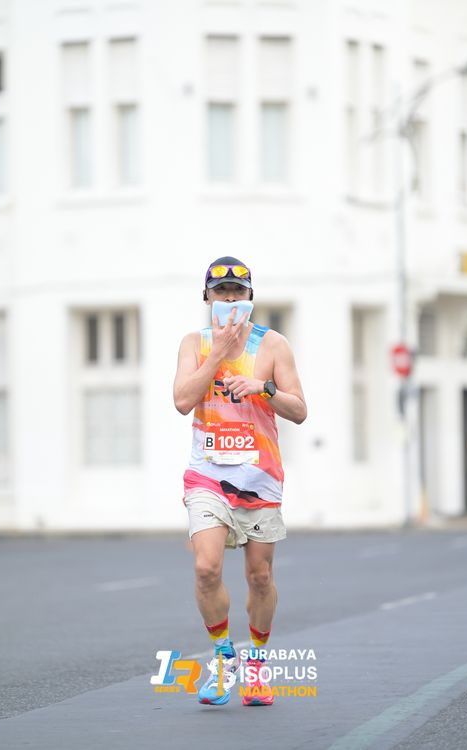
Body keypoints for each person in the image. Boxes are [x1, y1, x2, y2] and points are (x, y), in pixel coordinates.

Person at [173, 256, 307, 707]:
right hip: (207, 474)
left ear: (250, 297)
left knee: (260, 576)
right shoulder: (193, 344)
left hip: (259, 477)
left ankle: (257, 664)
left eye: (237, 291)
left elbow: (299, 410)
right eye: (221, 292)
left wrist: (262, 388)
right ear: (207, 297)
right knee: (206, 568)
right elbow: (182, 401)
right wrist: (216, 354)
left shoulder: (272, 345)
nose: (229, 299)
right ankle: (223, 656)